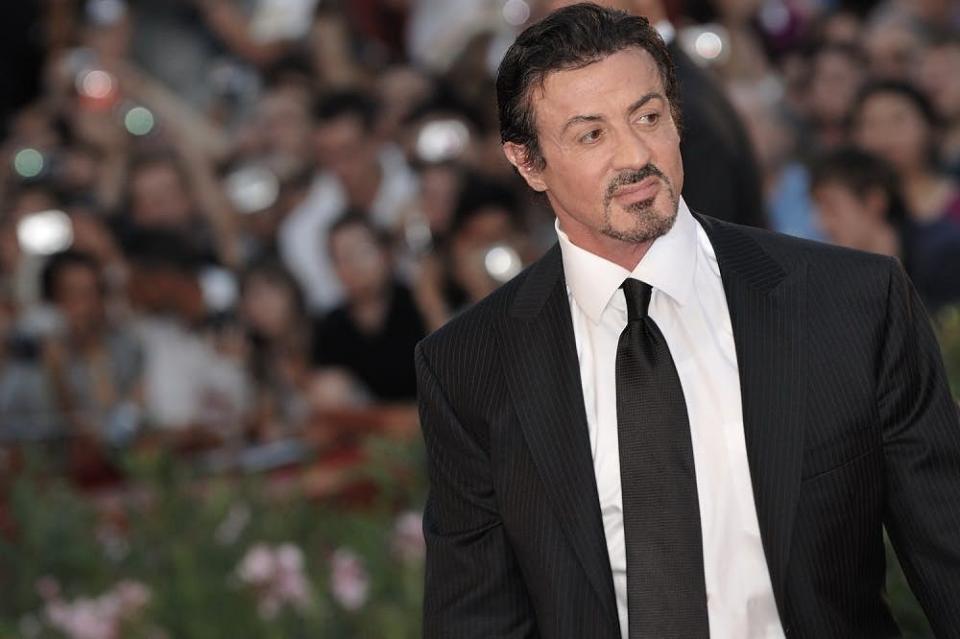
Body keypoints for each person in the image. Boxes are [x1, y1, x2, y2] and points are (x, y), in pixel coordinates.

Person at [415, 5, 960, 639]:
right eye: (591, 135)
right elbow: (475, 619)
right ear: (528, 162)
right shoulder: (470, 365)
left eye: (648, 117)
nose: (634, 154)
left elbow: (948, 550)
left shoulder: (850, 303)